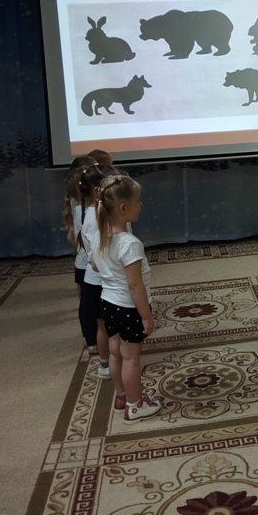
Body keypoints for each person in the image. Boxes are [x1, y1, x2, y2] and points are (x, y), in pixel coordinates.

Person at [92, 174, 162, 423]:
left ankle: (121, 396)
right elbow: (135, 284)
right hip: (129, 308)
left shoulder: (99, 236)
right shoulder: (130, 244)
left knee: (115, 352)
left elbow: (95, 266)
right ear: (123, 208)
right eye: (138, 201)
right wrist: (146, 316)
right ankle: (134, 405)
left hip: (108, 303)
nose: (140, 204)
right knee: (131, 357)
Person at [78, 163, 118, 377]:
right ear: (97, 191)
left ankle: (110, 362)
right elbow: (96, 259)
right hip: (100, 281)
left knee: (105, 324)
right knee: (105, 325)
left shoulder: (95, 213)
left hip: (99, 279)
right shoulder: (95, 219)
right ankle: (107, 363)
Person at [62, 154, 98, 351]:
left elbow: (71, 237)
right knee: (91, 304)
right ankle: (92, 338)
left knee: (86, 302)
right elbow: (74, 237)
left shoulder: (77, 207)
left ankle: (90, 339)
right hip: (90, 265)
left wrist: (81, 250)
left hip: (83, 263)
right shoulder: (88, 211)